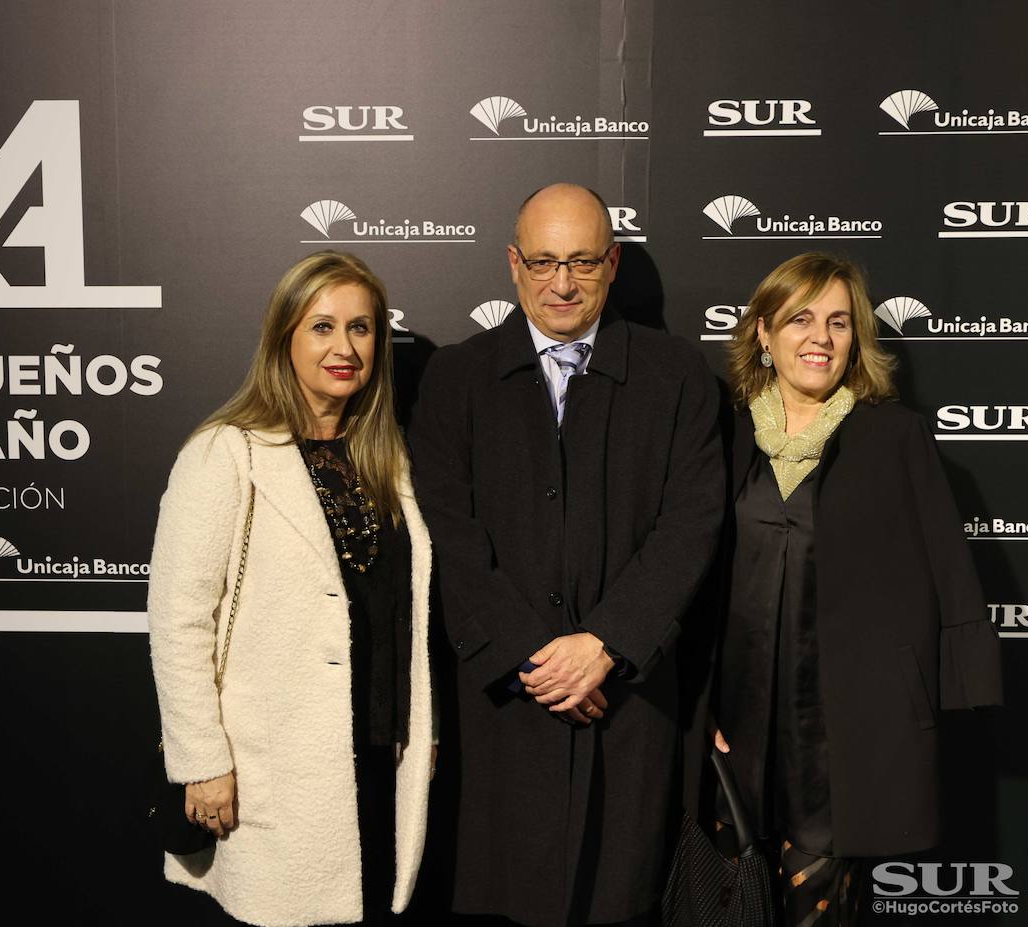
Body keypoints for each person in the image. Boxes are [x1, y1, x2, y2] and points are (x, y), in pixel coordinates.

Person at [409, 183, 725, 926]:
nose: (562, 282)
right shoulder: (455, 378)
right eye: (545, 261)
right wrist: (536, 659)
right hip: (502, 703)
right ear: (513, 264)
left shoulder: (677, 375)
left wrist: (606, 644)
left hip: (629, 701)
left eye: (582, 261)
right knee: (501, 896)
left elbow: (691, 526)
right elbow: (450, 535)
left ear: (612, 263)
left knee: (623, 898)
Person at [711, 252, 1004, 925]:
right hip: (737, 725)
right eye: (801, 319)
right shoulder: (722, 434)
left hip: (843, 730)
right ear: (762, 331)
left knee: (820, 909)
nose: (821, 337)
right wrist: (694, 704)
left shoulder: (893, 435)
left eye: (839, 322)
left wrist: (950, 694)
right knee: (732, 902)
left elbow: (948, 568)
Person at [147, 251, 435, 926]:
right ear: (284, 338)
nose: (345, 347)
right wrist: (202, 761)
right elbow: (179, 621)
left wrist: (421, 731)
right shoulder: (226, 453)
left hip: (375, 761)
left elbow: (400, 612)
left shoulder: (386, 458)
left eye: (361, 328)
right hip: (271, 767)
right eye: (323, 327)